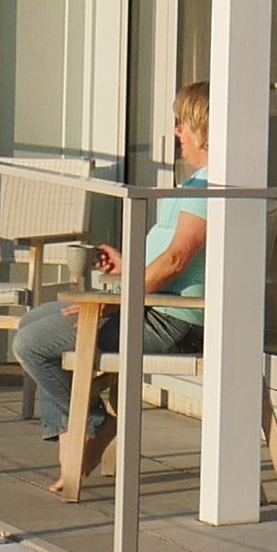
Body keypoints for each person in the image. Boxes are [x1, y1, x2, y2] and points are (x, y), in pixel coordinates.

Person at [14, 83, 209, 443]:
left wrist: (117, 299)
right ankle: (78, 432)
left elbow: (176, 261)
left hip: (174, 320)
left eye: (183, 123)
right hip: (156, 304)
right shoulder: (200, 182)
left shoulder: (210, 186)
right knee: (31, 322)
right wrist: (130, 267)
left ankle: (92, 426)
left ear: (205, 130)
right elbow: (178, 260)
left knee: (33, 343)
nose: (177, 132)